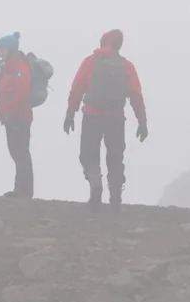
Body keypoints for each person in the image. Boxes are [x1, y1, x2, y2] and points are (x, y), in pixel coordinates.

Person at [63, 29, 148, 211]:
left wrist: (70, 114)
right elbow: (136, 95)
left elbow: (76, 89)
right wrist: (142, 121)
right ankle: (115, 196)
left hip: (92, 116)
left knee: (88, 154)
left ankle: (95, 183)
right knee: (115, 158)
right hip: (116, 118)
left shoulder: (90, 62)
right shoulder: (127, 66)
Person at [0, 32, 34, 198]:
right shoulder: (8, 67)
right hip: (12, 117)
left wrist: (8, 113)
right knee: (17, 152)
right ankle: (21, 188)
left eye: (1, 48)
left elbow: (20, 93)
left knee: (20, 152)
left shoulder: (18, 66)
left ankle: (24, 190)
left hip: (19, 117)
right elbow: (4, 94)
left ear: (9, 49)